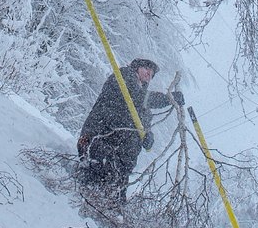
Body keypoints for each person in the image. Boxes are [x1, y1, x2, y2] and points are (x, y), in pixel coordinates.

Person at [76, 57, 184, 203]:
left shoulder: (143, 107)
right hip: (100, 140)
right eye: (146, 69)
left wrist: (148, 138)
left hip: (122, 163)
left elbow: (145, 126)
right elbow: (136, 97)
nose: (149, 74)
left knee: (114, 200)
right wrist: (168, 99)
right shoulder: (122, 77)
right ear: (136, 67)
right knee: (91, 189)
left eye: (152, 74)